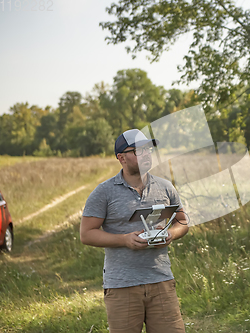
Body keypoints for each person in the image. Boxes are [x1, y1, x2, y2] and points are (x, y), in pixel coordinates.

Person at [80, 129, 189, 333]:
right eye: (139, 151)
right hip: (122, 286)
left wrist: (170, 234)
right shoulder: (104, 192)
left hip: (161, 281)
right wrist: (124, 240)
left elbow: (182, 222)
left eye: (148, 149)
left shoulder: (165, 187)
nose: (147, 154)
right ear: (121, 158)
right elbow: (86, 234)